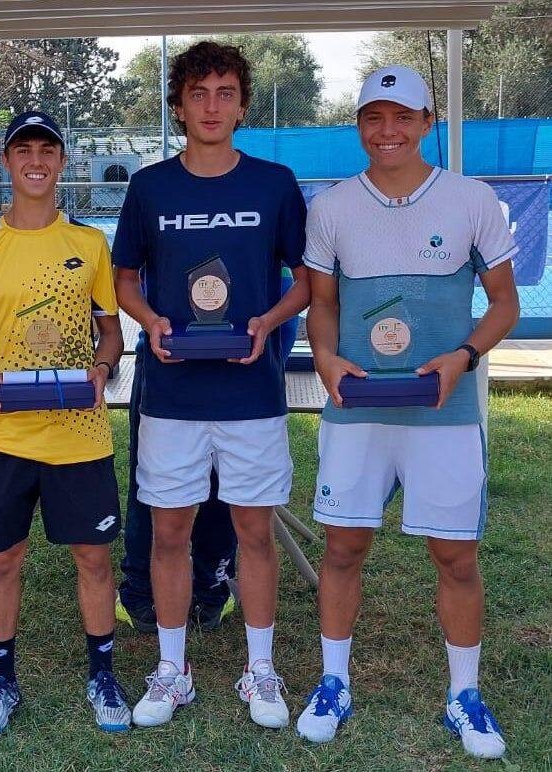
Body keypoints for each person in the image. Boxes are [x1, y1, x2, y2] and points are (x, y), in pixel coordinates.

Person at [296, 66, 520, 761]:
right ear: (359, 125)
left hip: (444, 414)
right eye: (373, 117)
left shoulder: (471, 199)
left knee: (455, 555)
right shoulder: (331, 207)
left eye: (402, 117)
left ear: (428, 122)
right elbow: (322, 304)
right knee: (343, 547)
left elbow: (505, 303)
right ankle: (333, 683)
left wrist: (464, 356)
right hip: (357, 411)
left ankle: (464, 695)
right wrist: (325, 357)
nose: (387, 131)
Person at [113, 41, 310, 729]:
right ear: (178, 105)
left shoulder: (274, 184)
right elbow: (124, 279)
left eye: (225, 93)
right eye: (198, 94)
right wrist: (151, 322)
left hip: (251, 394)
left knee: (253, 530)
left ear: (243, 105)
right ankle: (173, 670)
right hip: (172, 396)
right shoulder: (150, 187)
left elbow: (306, 281)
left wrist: (267, 322)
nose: (212, 106)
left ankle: (261, 670)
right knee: (169, 531)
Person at [0, 111, 131, 735]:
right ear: (5, 161)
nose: (35, 160)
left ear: (61, 161)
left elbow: (112, 332)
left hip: (79, 434)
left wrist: (102, 368)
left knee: (94, 558)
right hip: (6, 435)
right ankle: (1, 680)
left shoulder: (89, 244)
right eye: (22, 149)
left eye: (46, 150)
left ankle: (102, 674)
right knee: (3, 559)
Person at [117, 268, 299, 633]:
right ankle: (143, 590)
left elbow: (288, 280)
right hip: (169, 360)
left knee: (225, 486)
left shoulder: (268, 232)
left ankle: (210, 587)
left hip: (247, 355)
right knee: (157, 489)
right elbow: (132, 278)